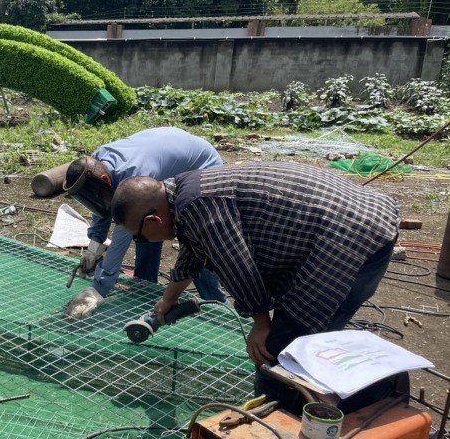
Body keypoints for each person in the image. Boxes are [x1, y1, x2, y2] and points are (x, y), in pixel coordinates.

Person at [109, 161, 401, 413]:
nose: (141, 242)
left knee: (278, 353)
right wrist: (168, 298)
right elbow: (195, 250)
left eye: (139, 237)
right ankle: (310, 406)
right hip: (358, 223)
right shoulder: (182, 194)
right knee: (304, 344)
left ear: (153, 220)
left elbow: (238, 265)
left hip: (351, 238)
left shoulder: (195, 204)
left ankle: (282, 428)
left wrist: (261, 323)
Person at [63, 127, 226, 319]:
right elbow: (102, 205)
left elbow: (122, 235)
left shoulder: (134, 174)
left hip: (203, 167)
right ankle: (144, 289)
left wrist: (99, 289)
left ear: (105, 178)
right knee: (146, 229)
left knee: (195, 244)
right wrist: (94, 246)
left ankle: (220, 312)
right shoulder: (98, 161)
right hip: (172, 155)